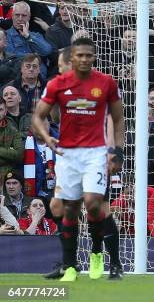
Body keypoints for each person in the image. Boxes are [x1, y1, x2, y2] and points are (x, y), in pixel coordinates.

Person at [31, 37, 125, 282]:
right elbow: (38, 117)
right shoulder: (57, 85)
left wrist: (116, 151)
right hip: (67, 155)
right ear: (71, 59)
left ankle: (98, 256)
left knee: (94, 203)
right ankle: (70, 266)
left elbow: (117, 119)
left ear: (93, 57)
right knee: (67, 209)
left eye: (88, 55)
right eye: (79, 56)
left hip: (96, 153)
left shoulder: (105, 83)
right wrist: (48, 138)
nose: (84, 59)